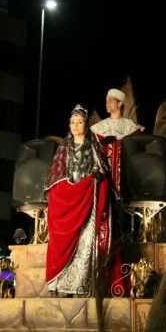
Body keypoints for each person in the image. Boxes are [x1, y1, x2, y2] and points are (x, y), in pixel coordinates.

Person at [45, 104, 123, 297]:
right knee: (64, 242)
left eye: (79, 122)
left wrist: (97, 177)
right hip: (70, 200)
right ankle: (61, 285)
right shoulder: (64, 148)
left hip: (87, 201)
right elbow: (56, 176)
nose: (75, 125)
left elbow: (102, 170)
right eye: (72, 122)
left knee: (85, 244)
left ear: (86, 125)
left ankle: (82, 286)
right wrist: (69, 189)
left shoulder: (93, 146)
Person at [90, 88, 144, 196]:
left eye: (110, 100)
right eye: (106, 101)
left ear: (119, 103)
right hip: (104, 178)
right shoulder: (99, 128)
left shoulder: (131, 127)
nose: (107, 103)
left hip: (126, 178)